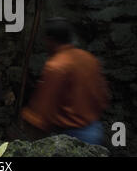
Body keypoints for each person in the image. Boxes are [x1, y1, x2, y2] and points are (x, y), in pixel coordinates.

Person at [21, 17, 110, 145]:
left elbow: (42, 112)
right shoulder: (89, 59)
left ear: (50, 40)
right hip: (94, 129)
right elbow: (104, 97)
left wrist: (27, 117)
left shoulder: (56, 66)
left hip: (72, 137)